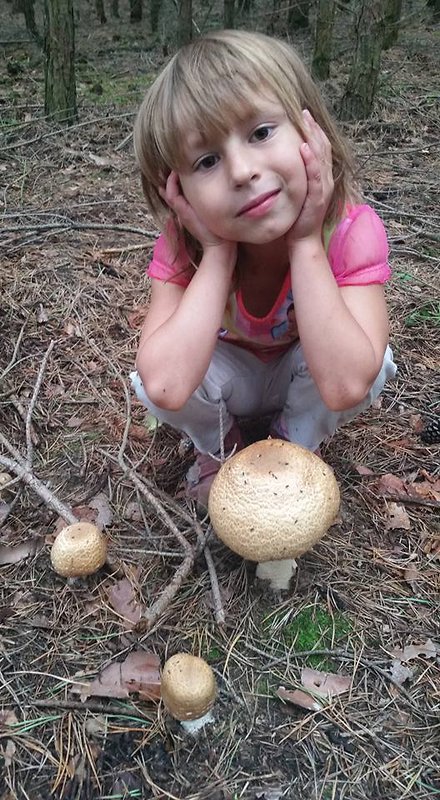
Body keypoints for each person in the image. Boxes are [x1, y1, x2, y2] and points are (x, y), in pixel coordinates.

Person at [130, 29, 397, 506]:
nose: (241, 171)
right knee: (150, 374)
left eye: (261, 132)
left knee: (372, 363)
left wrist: (304, 241)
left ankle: (290, 446)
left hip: (308, 373)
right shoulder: (183, 244)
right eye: (207, 160)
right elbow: (167, 385)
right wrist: (216, 252)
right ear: (178, 189)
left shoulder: (350, 231)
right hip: (229, 380)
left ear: (311, 131)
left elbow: (346, 383)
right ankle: (224, 450)